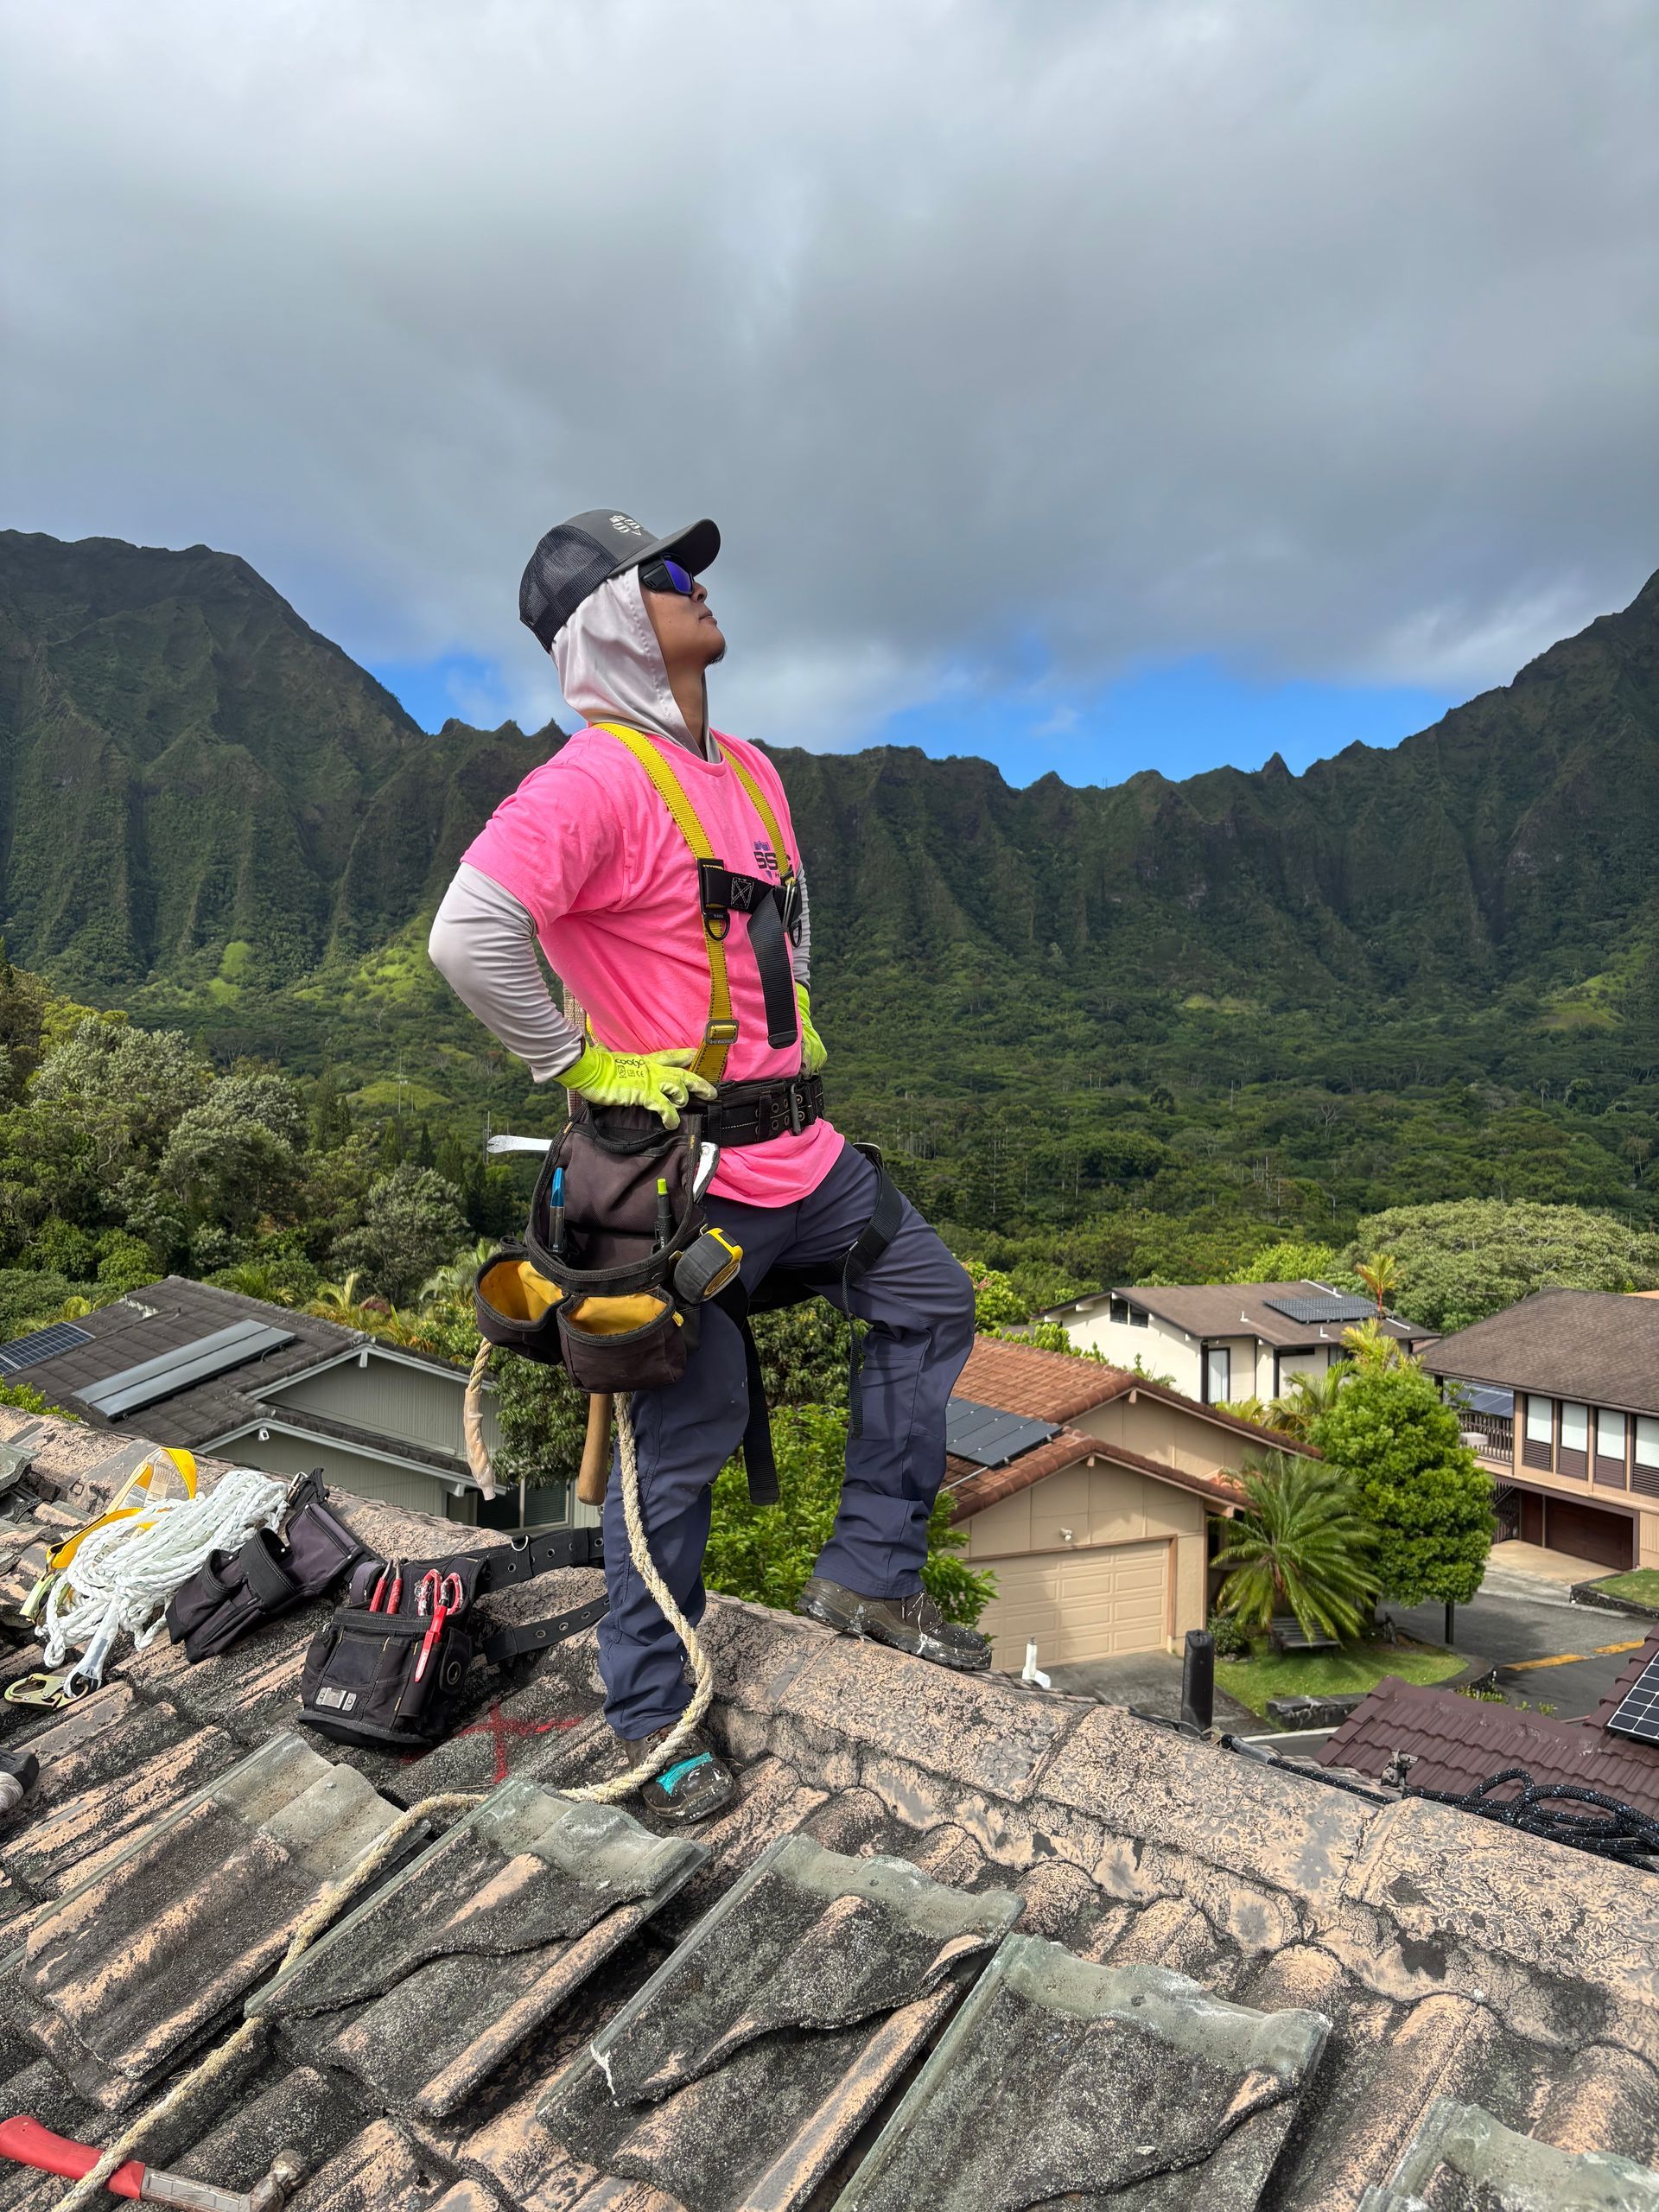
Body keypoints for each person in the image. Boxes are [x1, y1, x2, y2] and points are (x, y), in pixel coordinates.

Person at [429, 508, 984, 1823]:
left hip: (804, 1152)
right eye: (670, 574)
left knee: (927, 1300)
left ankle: (867, 1574)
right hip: (681, 1184)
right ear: (614, 619)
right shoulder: (591, 781)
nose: (701, 585)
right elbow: (469, 934)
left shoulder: (746, 767)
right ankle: (649, 1717)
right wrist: (582, 1060)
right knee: (686, 1439)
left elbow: (776, 940)